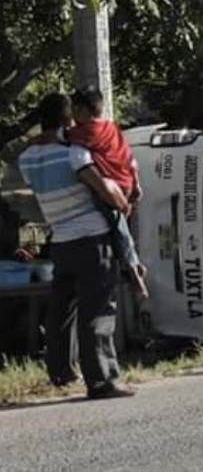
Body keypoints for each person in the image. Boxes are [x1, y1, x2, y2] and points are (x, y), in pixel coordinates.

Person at [18, 93, 136, 399]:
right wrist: (123, 204)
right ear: (70, 120)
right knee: (97, 310)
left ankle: (62, 372)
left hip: (61, 240)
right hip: (93, 240)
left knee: (63, 310)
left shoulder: (27, 158)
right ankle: (102, 380)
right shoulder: (75, 153)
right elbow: (103, 187)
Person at [64, 87, 149, 302]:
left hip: (111, 191)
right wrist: (136, 184)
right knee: (119, 230)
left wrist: (40, 139)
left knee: (119, 231)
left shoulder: (84, 133)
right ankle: (131, 267)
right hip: (127, 183)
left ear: (83, 110)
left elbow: (61, 136)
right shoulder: (111, 127)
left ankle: (135, 276)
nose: (72, 114)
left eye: (75, 109)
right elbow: (129, 157)